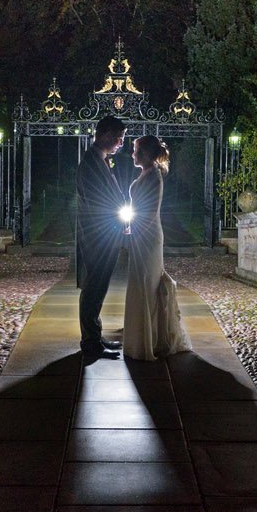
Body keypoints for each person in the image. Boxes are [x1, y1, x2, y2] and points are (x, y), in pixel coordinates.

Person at [122, 135, 191, 361]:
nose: (133, 155)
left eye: (137, 151)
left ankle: (149, 340)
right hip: (140, 234)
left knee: (146, 284)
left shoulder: (153, 176)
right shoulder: (146, 174)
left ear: (148, 154)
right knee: (141, 283)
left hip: (148, 237)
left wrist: (135, 231)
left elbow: (150, 212)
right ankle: (142, 337)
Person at [75, 116, 129, 356]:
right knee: (95, 285)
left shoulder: (100, 160)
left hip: (105, 233)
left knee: (99, 285)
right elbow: (98, 199)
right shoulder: (90, 162)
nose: (121, 143)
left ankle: (94, 336)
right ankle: (90, 342)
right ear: (106, 134)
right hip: (98, 234)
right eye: (120, 137)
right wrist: (118, 220)